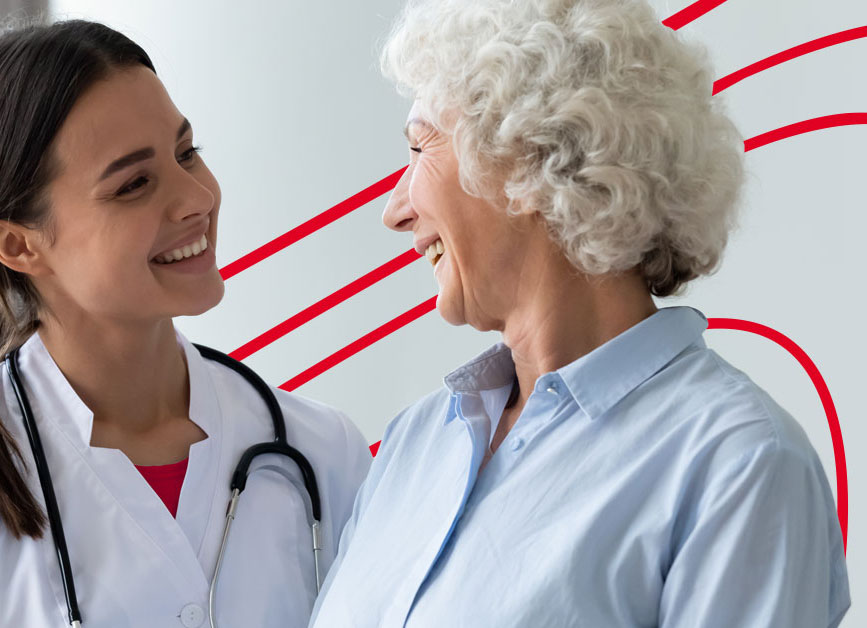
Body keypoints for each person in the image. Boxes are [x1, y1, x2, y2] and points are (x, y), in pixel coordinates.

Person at [310, 0, 849, 626]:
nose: (395, 209)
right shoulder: (418, 441)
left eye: (418, 147)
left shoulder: (738, 462)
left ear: (530, 154)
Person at [0, 18, 370, 628]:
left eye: (186, 152)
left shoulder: (321, 451)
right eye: (134, 184)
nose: (196, 197)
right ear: (18, 244)